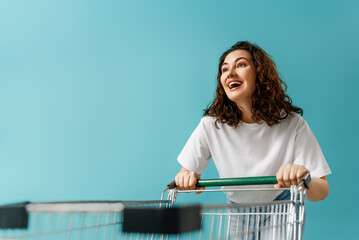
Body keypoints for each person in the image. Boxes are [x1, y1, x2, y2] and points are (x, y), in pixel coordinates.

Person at [174, 41, 331, 204]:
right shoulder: (211, 125)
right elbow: (186, 174)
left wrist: (303, 177)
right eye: (225, 69)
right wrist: (185, 178)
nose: (230, 73)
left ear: (259, 74)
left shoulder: (293, 124)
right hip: (236, 209)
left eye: (240, 64)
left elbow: (322, 190)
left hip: (282, 208)